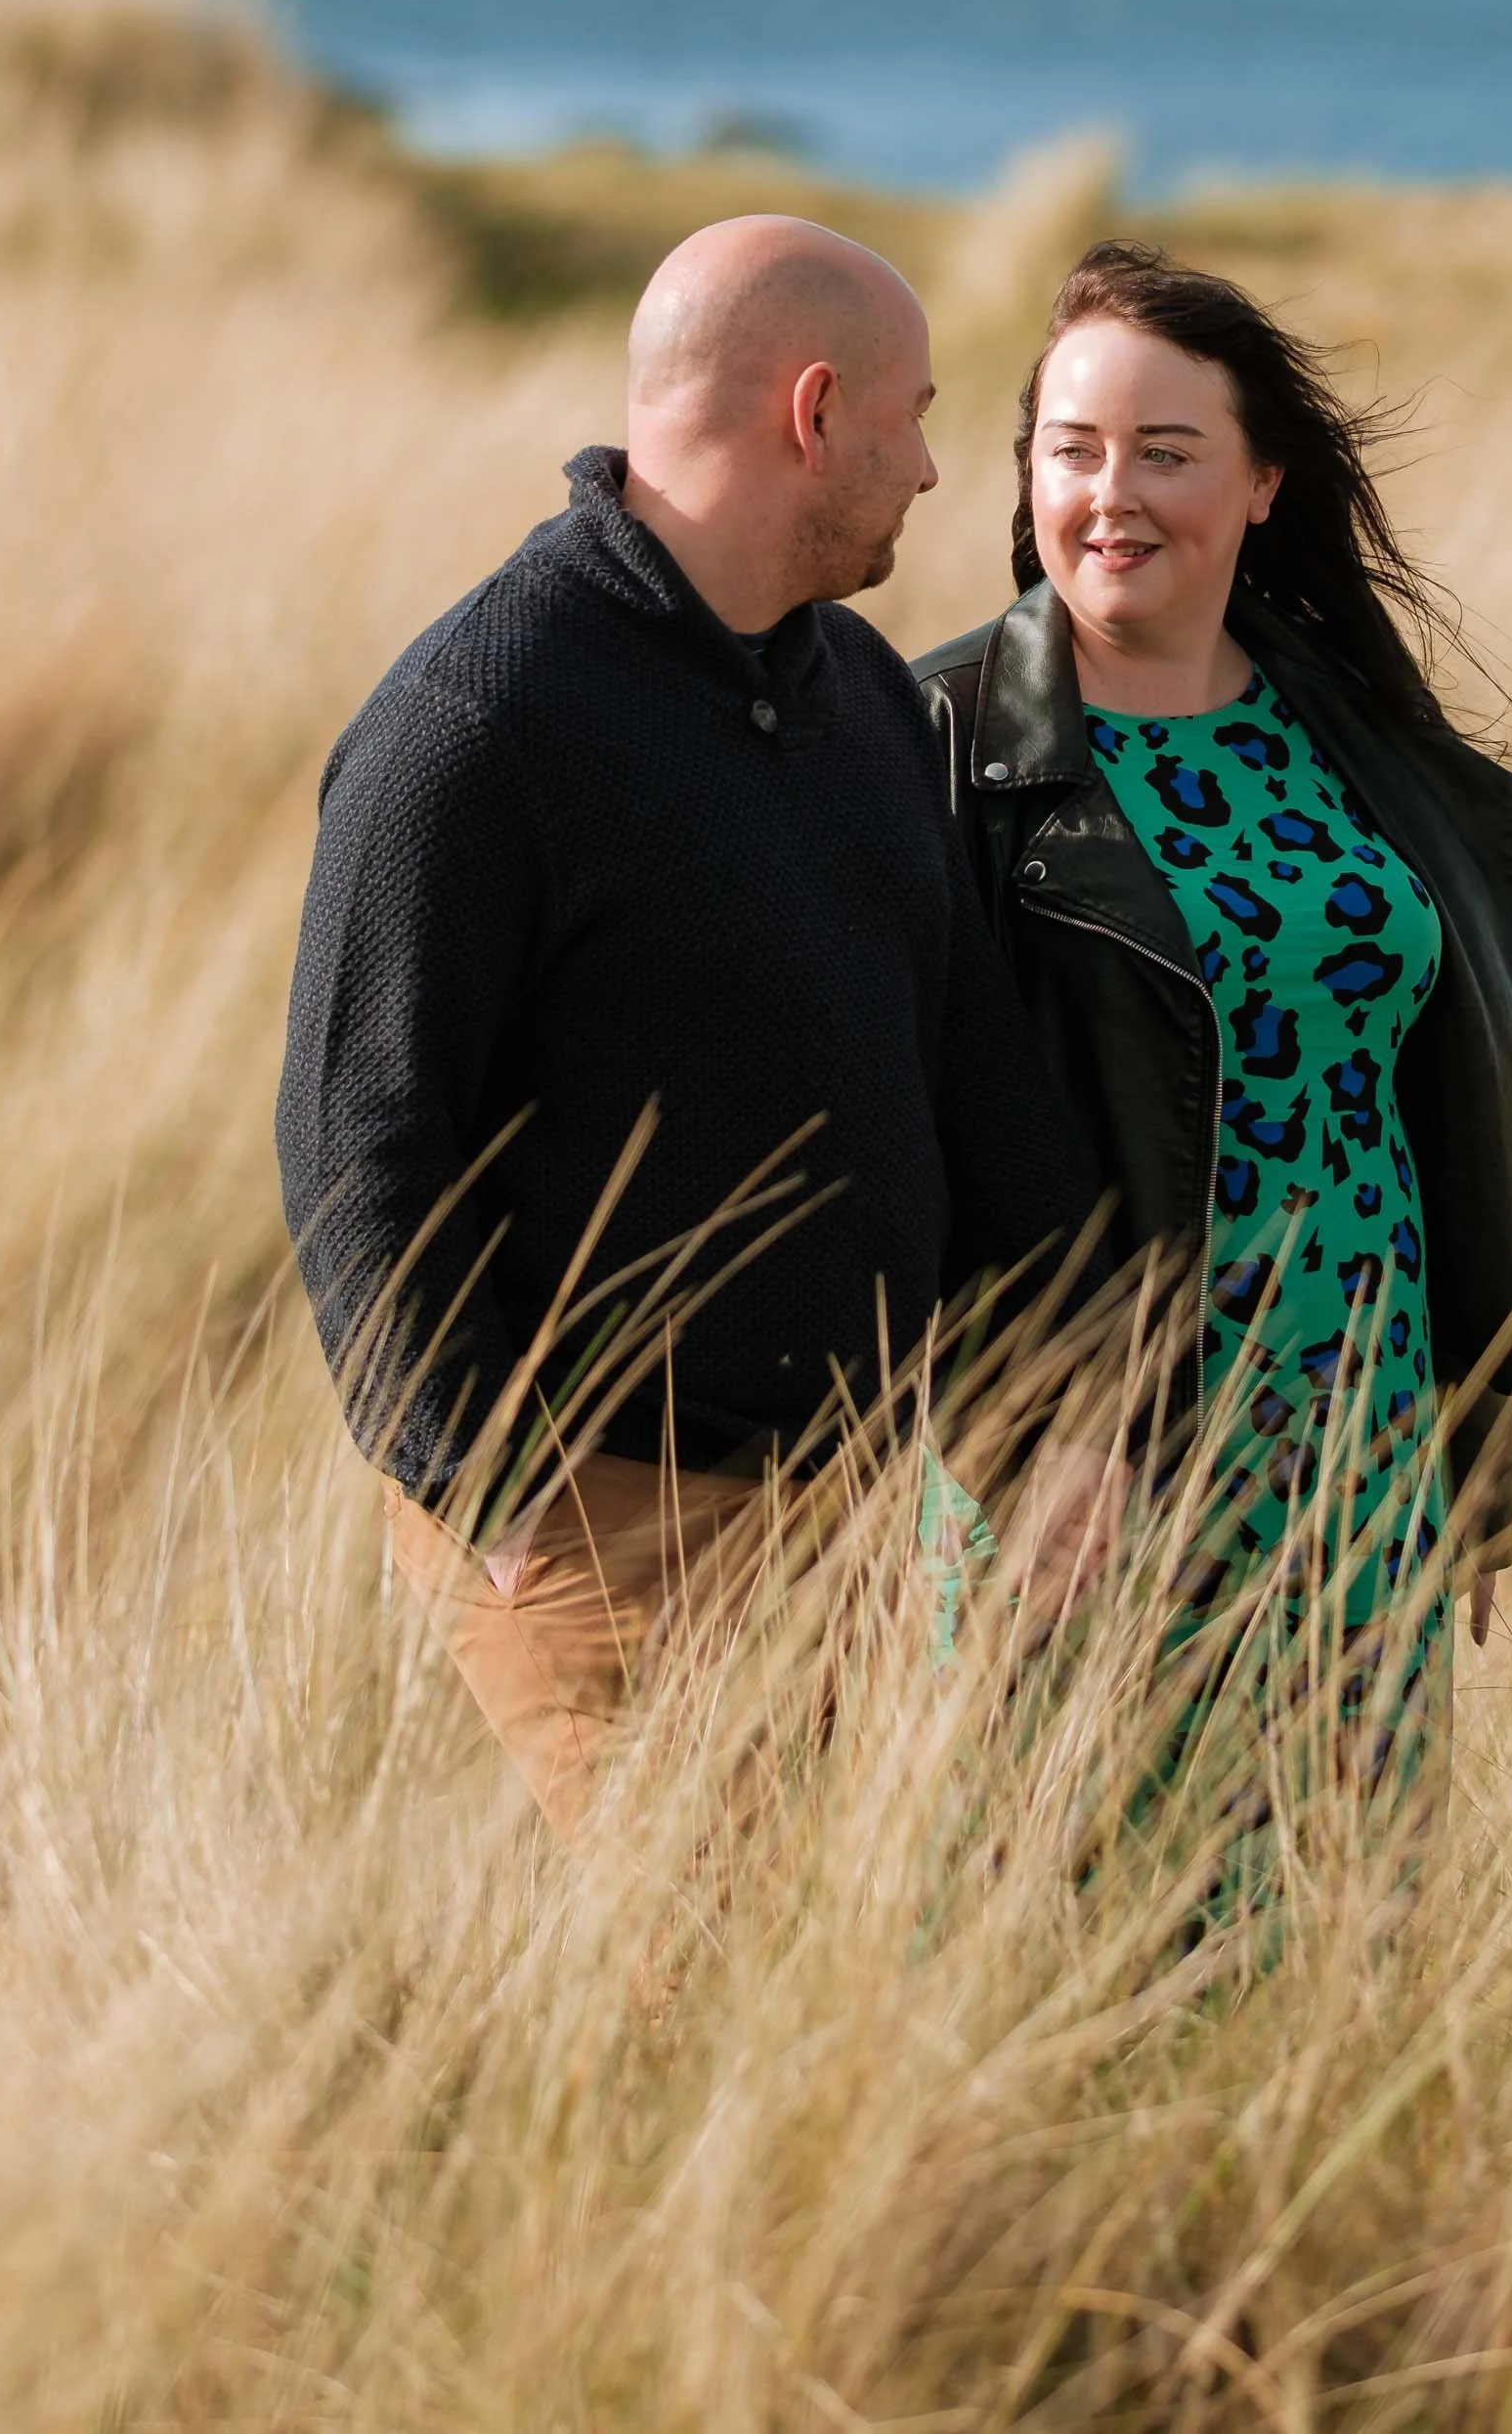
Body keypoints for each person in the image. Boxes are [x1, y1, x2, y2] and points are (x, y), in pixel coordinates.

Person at [277, 214, 1096, 1828]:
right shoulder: (482, 718)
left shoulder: (859, 698)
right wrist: (481, 1474)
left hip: (853, 1501)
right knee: (697, 1993)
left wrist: (1074, 1413)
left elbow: (972, 1079)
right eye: (912, 414)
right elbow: (358, 1128)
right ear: (812, 412)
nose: (932, 469)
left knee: (824, 2002)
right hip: (604, 1511)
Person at [914, 240, 1512, 1804]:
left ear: (1264, 482)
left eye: (1166, 449)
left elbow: (1452, 1098)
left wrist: (1475, 1444)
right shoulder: (933, 738)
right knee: (1074, 1922)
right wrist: (1016, 1443)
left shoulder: (1360, 728)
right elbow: (895, 1128)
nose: (1109, 494)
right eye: (1070, 450)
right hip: (1089, 1466)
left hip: (1361, 1439)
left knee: (1348, 1927)